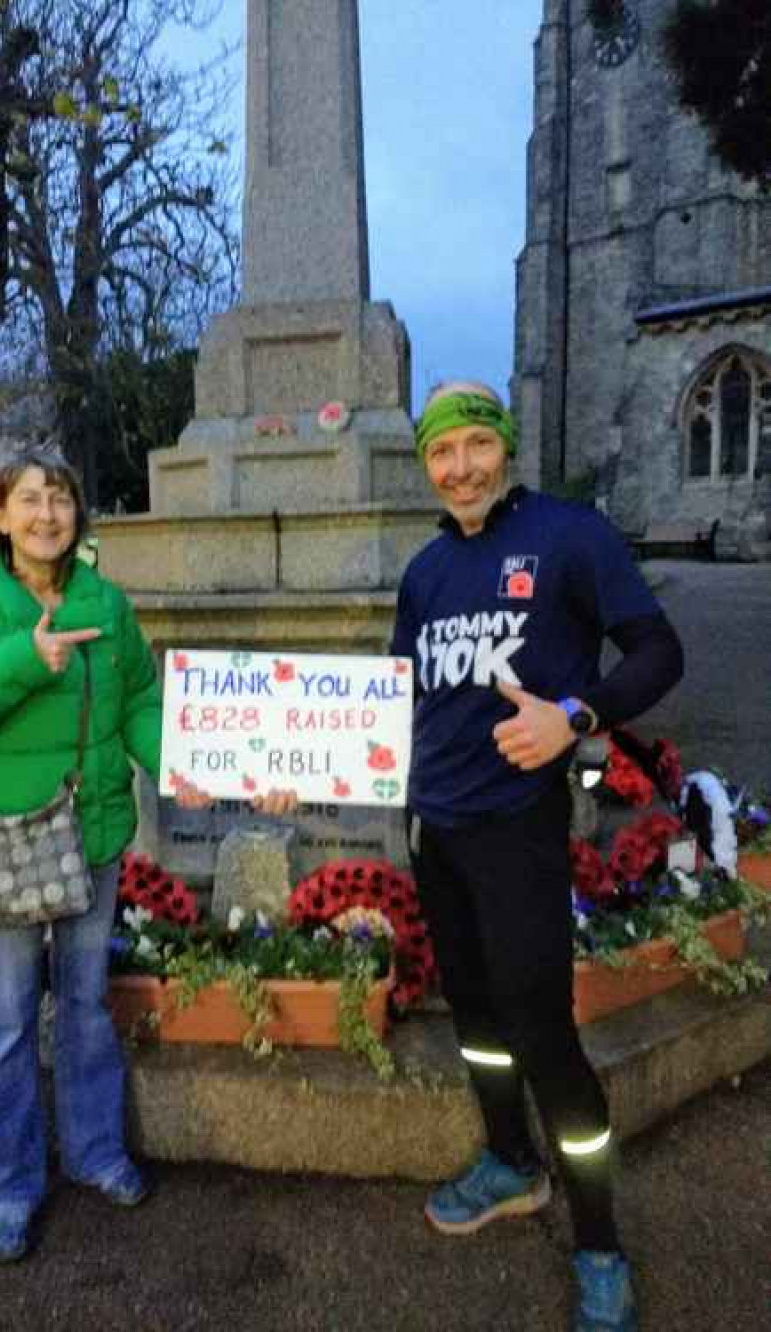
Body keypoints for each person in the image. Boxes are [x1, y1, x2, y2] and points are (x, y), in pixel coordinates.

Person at [0, 450, 287, 1263]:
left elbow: (141, 706)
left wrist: (193, 766)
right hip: (5, 845)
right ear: (0, 514)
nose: (48, 515)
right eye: (31, 501)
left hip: (92, 838)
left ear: (78, 516)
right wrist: (20, 662)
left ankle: (94, 1152)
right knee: (9, 1024)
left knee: (84, 1006)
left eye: (63, 500)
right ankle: (9, 1188)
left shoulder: (106, 606)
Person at [391, 383, 683, 1332]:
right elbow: (398, 707)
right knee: (473, 1016)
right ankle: (509, 1162)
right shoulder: (426, 571)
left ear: (505, 449)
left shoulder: (569, 535)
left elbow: (657, 650)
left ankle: (600, 1242)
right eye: (444, 452)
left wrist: (575, 717)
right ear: (427, 465)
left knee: (544, 1035)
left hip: (518, 833)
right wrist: (292, 769)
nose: (462, 467)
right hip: (437, 833)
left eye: (478, 445)